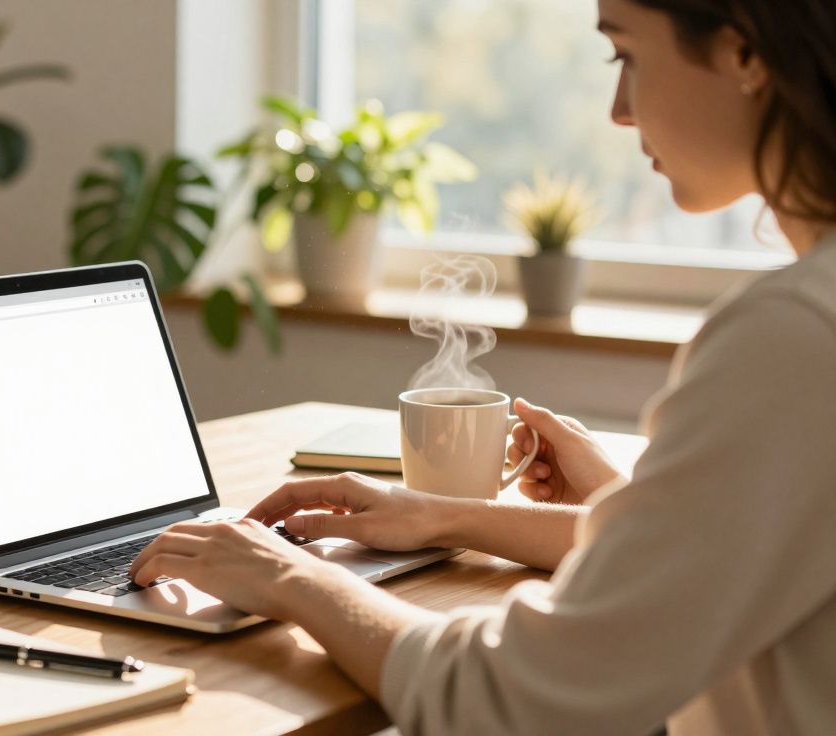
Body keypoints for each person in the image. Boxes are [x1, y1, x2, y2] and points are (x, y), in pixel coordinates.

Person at [129, 0, 836, 732]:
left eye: (624, 54)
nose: (620, 112)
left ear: (745, 54)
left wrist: (287, 577)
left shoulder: (794, 338)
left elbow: (514, 697)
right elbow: (712, 570)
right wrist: (451, 516)